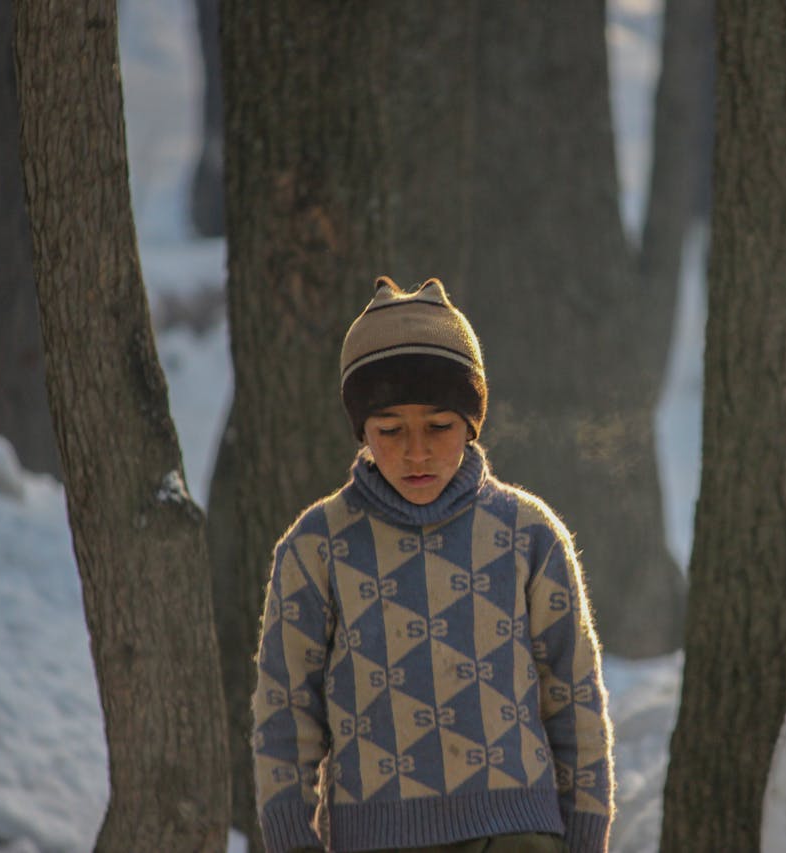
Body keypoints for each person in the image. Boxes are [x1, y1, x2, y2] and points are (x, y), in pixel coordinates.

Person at [252, 277, 615, 853]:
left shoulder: (529, 534)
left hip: (518, 835)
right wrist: (293, 841)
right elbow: (285, 712)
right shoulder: (316, 547)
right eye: (390, 430)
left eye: (439, 427)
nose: (415, 451)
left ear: (472, 423)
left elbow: (574, 696)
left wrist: (587, 828)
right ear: (362, 430)